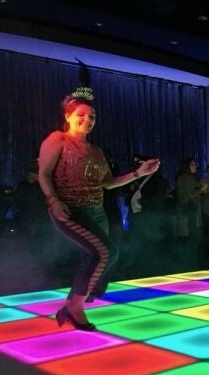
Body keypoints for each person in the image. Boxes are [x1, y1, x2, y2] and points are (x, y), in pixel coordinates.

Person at [38, 73, 160, 331]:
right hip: (69, 209)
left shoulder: (96, 151)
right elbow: (44, 174)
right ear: (68, 116)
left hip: (96, 211)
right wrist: (53, 201)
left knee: (95, 256)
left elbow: (108, 183)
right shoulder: (57, 139)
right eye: (81, 115)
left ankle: (71, 304)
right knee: (105, 252)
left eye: (92, 117)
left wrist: (139, 173)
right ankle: (74, 308)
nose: (87, 120)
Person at [176, 158, 206, 263]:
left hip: (190, 209)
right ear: (186, 166)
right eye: (192, 165)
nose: (195, 166)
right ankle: (190, 259)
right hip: (189, 210)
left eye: (195, 164)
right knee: (192, 235)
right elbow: (188, 195)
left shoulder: (189, 177)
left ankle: (190, 259)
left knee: (193, 235)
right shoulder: (186, 177)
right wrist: (201, 189)